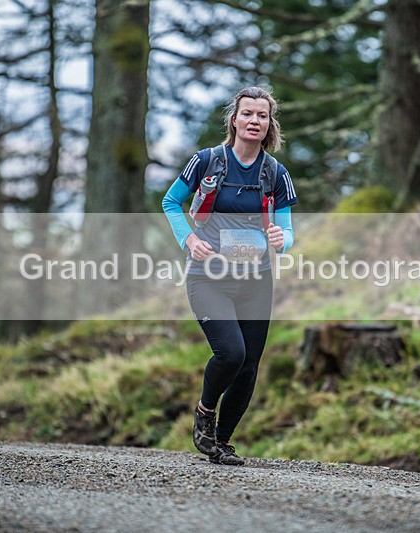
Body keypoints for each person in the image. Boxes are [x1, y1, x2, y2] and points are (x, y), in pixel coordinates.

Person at [161, 86, 297, 465]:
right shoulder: (206, 161)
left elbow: (287, 234)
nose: (255, 120)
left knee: (249, 365)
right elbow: (171, 201)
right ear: (234, 120)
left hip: (257, 279)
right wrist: (188, 240)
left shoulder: (276, 173)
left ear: (270, 124)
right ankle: (205, 413)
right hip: (208, 276)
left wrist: (280, 238)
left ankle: (220, 442)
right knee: (231, 353)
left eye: (262, 115)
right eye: (248, 114)